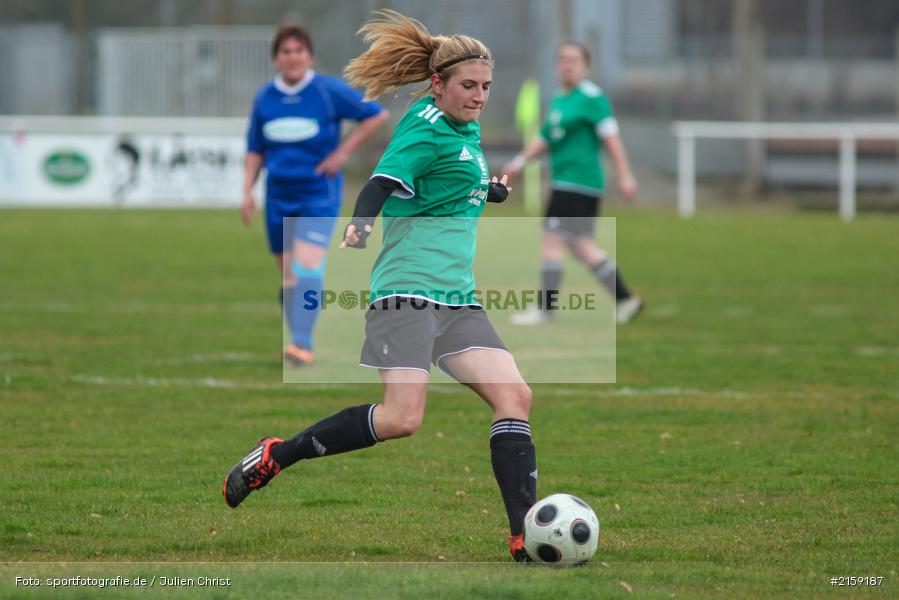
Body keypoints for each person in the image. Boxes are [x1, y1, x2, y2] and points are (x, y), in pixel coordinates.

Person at [224, 10, 537, 563]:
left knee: (515, 397)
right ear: (437, 84)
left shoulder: (462, 124)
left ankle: (524, 537)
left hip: (457, 297)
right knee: (401, 419)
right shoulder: (424, 126)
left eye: (486, 86)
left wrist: (485, 191)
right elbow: (383, 181)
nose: (480, 96)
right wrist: (362, 222)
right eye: (469, 86)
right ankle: (278, 454)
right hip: (408, 292)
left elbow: (443, 181)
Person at [242, 23, 389, 365]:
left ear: (310, 57)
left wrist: (342, 152)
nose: (293, 57)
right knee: (288, 274)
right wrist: (247, 191)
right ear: (276, 59)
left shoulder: (327, 91)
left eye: (299, 51)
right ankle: (298, 336)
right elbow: (254, 149)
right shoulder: (265, 97)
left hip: (318, 193)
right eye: (286, 51)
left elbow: (376, 115)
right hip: (278, 195)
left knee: (307, 262)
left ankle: (301, 344)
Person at [504, 42, 643, 325]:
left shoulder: (592, 98)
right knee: (581, 247)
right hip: (567, 182)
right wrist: (519, 162)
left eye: (574, 60)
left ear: (586, 66)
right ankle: (626, 299)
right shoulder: (560, 99)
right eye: (563, 60)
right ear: (556, 65)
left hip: (577, 181)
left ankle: (545, 310)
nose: (567, 65)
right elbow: (545, 138)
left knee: (552, 240)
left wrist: (625, 175)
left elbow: (612, 139)